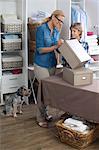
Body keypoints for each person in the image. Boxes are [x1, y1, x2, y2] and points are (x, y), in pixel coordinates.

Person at [34, 10, 65, 127]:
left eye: (62, 21)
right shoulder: (41, 29)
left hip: (52, 64)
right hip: (40, 64)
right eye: (59, 20)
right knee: (43, 89)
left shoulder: (57, 30)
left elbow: (56, 49)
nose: (61, 23)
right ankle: (40, 117)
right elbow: (40, 50)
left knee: (47, 91)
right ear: (53, 17)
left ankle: (45, 113)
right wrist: (56, 46)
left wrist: (62, 47)